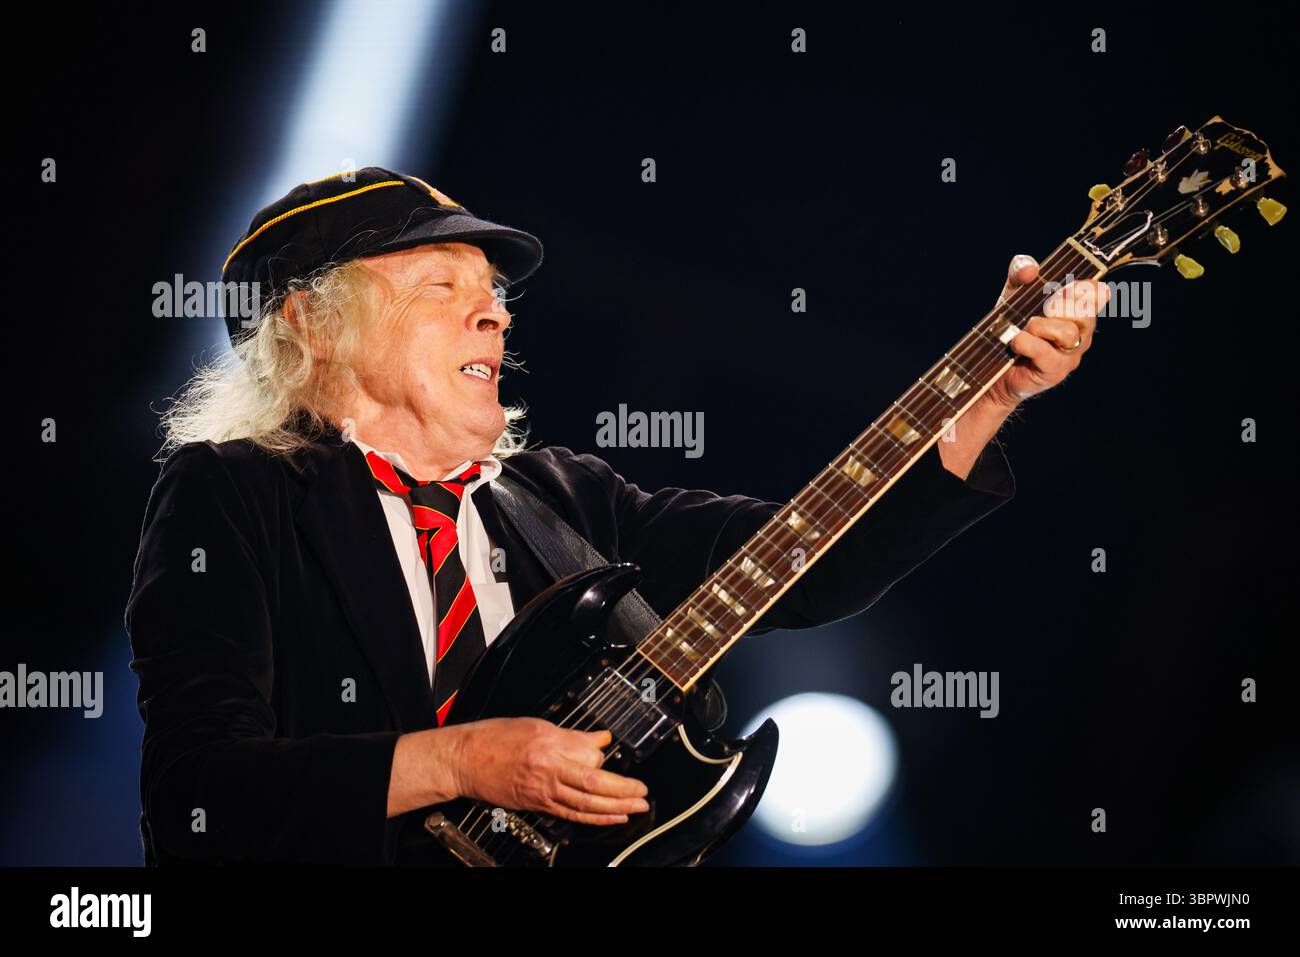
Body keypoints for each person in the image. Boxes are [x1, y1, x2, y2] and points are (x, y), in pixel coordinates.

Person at [125, 167, 1103, 865]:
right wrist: (467, 761)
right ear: (310, 324)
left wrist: (986, 396)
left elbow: (804, 564)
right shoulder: (236, 490)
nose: (495, 314)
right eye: (443, 286)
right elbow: (199, 797)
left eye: (494, 293)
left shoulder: (562, 498)